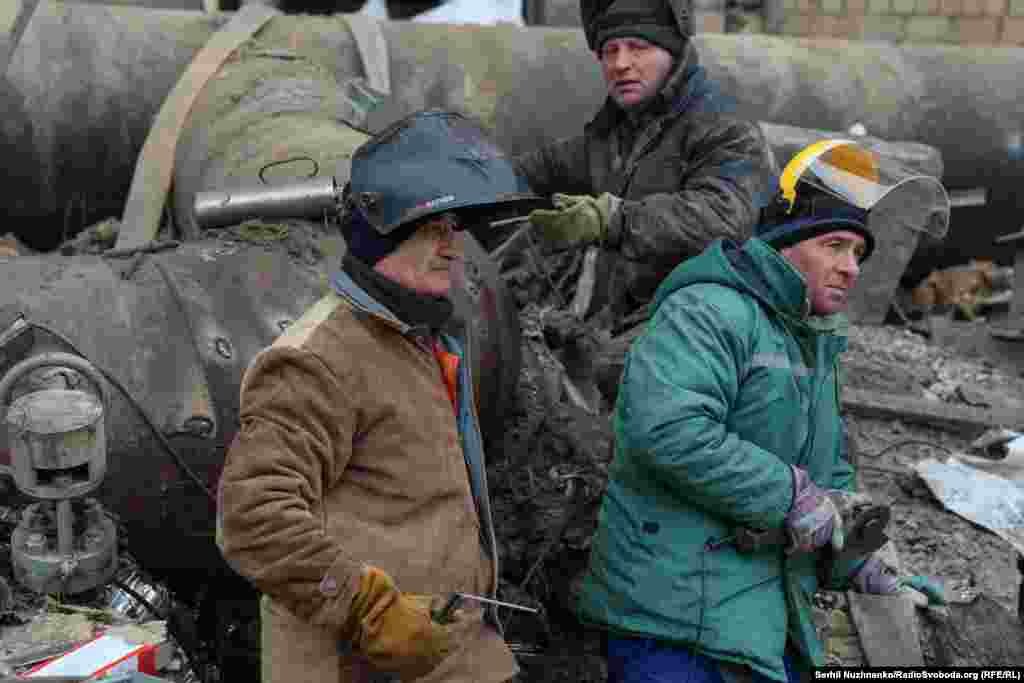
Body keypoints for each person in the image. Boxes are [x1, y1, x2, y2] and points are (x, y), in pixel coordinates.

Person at [574, 140, 951, 682]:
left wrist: (863, 558)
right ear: (784, 244)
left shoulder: (812, 341)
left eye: (857, 255)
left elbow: (829, 478)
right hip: (672, 618)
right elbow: (669, 430)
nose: (850, 268)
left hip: (760, 618)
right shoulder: (708, 310)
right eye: (834, 246)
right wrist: (788, 495)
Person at [215, 110, 545, 683]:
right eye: (435, 228)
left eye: (457, 229)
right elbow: (253, 516)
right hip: (357, 664)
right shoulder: (317, 359)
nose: (454, 248)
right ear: (386, 232)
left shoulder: (424, 336)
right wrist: (366, 608)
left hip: (448, 649)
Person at [516, 0, 777, 315]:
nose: (620, 63)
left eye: (637, 47)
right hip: (618, 328)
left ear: (673, 51)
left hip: (704, 329)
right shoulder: (611, 137)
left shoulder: (726, 129)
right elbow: (531, 171)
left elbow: (724, 219)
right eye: (609, 50)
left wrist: (613, 219)